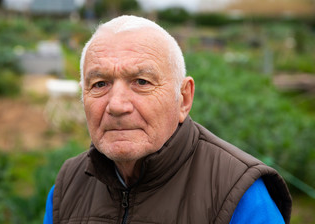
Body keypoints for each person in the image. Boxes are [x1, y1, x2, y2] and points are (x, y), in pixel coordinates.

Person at [43, 15, 292, 224]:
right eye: (99, 84)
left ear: (183, 98)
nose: (116, 105)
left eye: (141, 82)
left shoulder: (238, 195)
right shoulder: (66, 188)